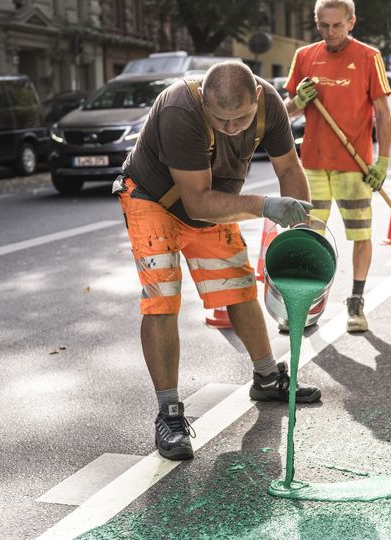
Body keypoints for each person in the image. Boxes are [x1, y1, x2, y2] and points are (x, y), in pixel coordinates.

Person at [115, 62, 322, 461]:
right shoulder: (180, 109)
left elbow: (288, 167)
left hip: (213, 201)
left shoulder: (270, 105)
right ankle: (169, 414)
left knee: (239, 287)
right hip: (153, 200)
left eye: (240, 119)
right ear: (204, 101)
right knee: (162, 299)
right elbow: (196, 202)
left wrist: (302, 234)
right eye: (220, 119)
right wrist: (264, 206)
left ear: (256, 97)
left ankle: (267, 378)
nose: (230, 128)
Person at [283, 0, 391, 333]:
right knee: (308, 238)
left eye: (337, 25)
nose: (330, 32)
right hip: (313, 166)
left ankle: (356, 303)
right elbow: (285, 112)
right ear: (316, 22)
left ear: (351, 22)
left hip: (354, 167)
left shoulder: (369, 57)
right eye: (323, 25)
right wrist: (298, 101)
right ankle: (304, 305)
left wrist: (383, 160)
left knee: (360, 235)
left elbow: (383, 113)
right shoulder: (304, 56)